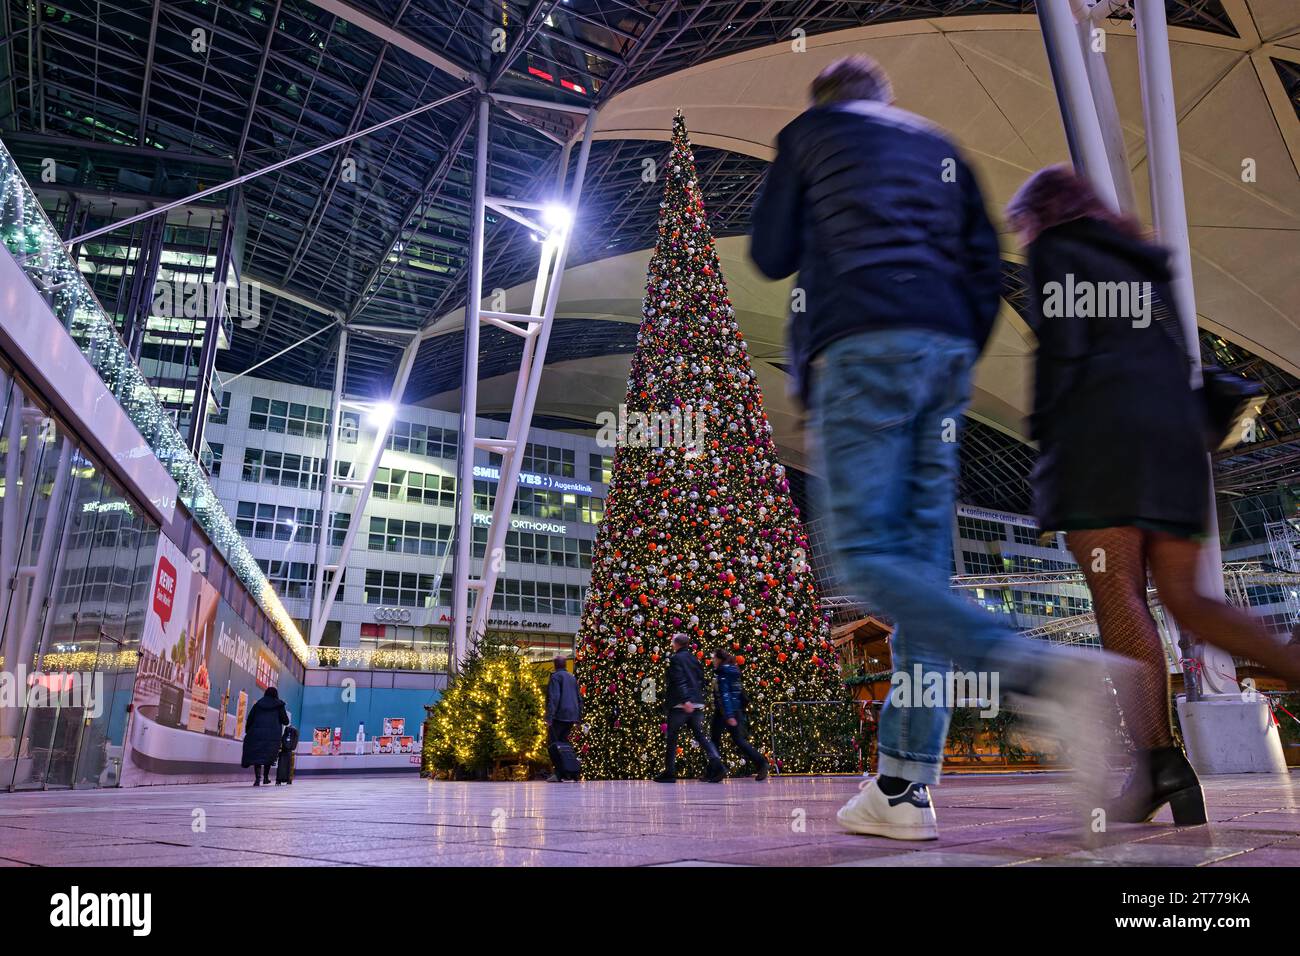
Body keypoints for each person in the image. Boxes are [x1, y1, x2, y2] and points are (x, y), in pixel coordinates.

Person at [749, 55, 1125, 840]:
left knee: (864, 563)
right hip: (943, 357)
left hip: (862, 345)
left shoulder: (810, 135)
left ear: (826, 99)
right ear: (886, 98)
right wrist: (952, 347)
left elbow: (770, 252)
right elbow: (986, 265)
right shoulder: (937, 144)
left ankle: (1043, 673)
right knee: (921, 576)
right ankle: (902, 788)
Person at [1006, 164, 1300, 825]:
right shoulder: (1145, 260)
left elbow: (1066, 350)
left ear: (1041, 215)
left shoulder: (1058, 250)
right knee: (1189, 601)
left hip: (1103, 444)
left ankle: (1158, 764)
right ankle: (1278, 672)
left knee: (1119, 595)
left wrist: (1046, 443)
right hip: (1176, 446)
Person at [655, 634, 725, 783]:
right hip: (696, 703)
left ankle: (670, 772)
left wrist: (686, 699)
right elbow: (700, 679)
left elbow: (679, 680)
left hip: (681, 704)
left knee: (672, 737)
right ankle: (718, 764)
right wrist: (697, 699)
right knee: (700, 735)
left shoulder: (675, 659)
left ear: (676, 644)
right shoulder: (695, 659)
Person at [710, 648, 769, 780]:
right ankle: (761, 763)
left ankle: (718, 770)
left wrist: (729, 715)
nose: (713, 660)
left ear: (719, 659)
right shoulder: (732, 670)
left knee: (718, 741)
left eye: (714, 658)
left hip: (725, 711)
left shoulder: (723, 672)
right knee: (733, 740)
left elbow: (725, 694)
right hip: (733, 710)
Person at [241, 686, 288, 787]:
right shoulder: (279, 705)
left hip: (256, 733)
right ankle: (266, 777)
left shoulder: (258, 704)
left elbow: (250, 719)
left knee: (257, 755)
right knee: (268, 754)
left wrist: (248, 731)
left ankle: (257, 778)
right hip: (273, 736)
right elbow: (285, 721)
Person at [544, 655, 582, 782]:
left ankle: (559, 773)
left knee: (553, 745)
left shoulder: (555, 677)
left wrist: (549, 717)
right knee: (565, 744)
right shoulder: (572, 678)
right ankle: (571, 772)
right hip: (572, 716)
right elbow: (579, 698)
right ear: (565, 665)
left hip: (559, 716)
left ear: (555, 665)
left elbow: (554, 697)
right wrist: (578, 717)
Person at [276, 719, 300, 786]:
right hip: (289, 752)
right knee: (289, 765)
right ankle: (288, 780)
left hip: (283, 751)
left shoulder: (286, 732)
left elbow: (282, 740)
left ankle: (279, 780)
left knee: (281, 765)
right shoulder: (295, 732)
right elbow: (294, 744)